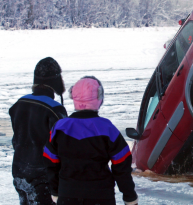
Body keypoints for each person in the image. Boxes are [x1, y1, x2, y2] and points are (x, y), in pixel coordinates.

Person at [43, 76, 138, 205]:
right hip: (101, 195)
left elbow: (51, 163)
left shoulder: (59, 128)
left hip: (68, 195)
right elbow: (122, 165)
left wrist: (55, 191)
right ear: (99, 98)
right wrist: (129, 197)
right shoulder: (107, 128)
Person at [9, 57, 67, 204]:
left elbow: (16, 140)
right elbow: (62, 146)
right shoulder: (54, 109)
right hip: (43, 177)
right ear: (56, 81)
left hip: (19, 172)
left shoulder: (18, 104)